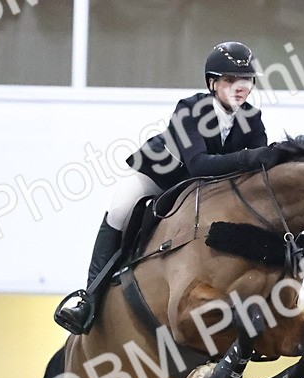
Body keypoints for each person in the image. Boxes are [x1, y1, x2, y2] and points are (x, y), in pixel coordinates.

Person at [54, 41, 287, 335]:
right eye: (230, 80)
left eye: (246, 80)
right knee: (120, 211)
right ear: (213, 83)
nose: (240, 87)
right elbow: (199, 164)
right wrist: (252, 157)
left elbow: (256, 176)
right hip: (160, 176)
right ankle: (88, 300)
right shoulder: (191, 109)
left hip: (205, 189)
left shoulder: (251, 118)